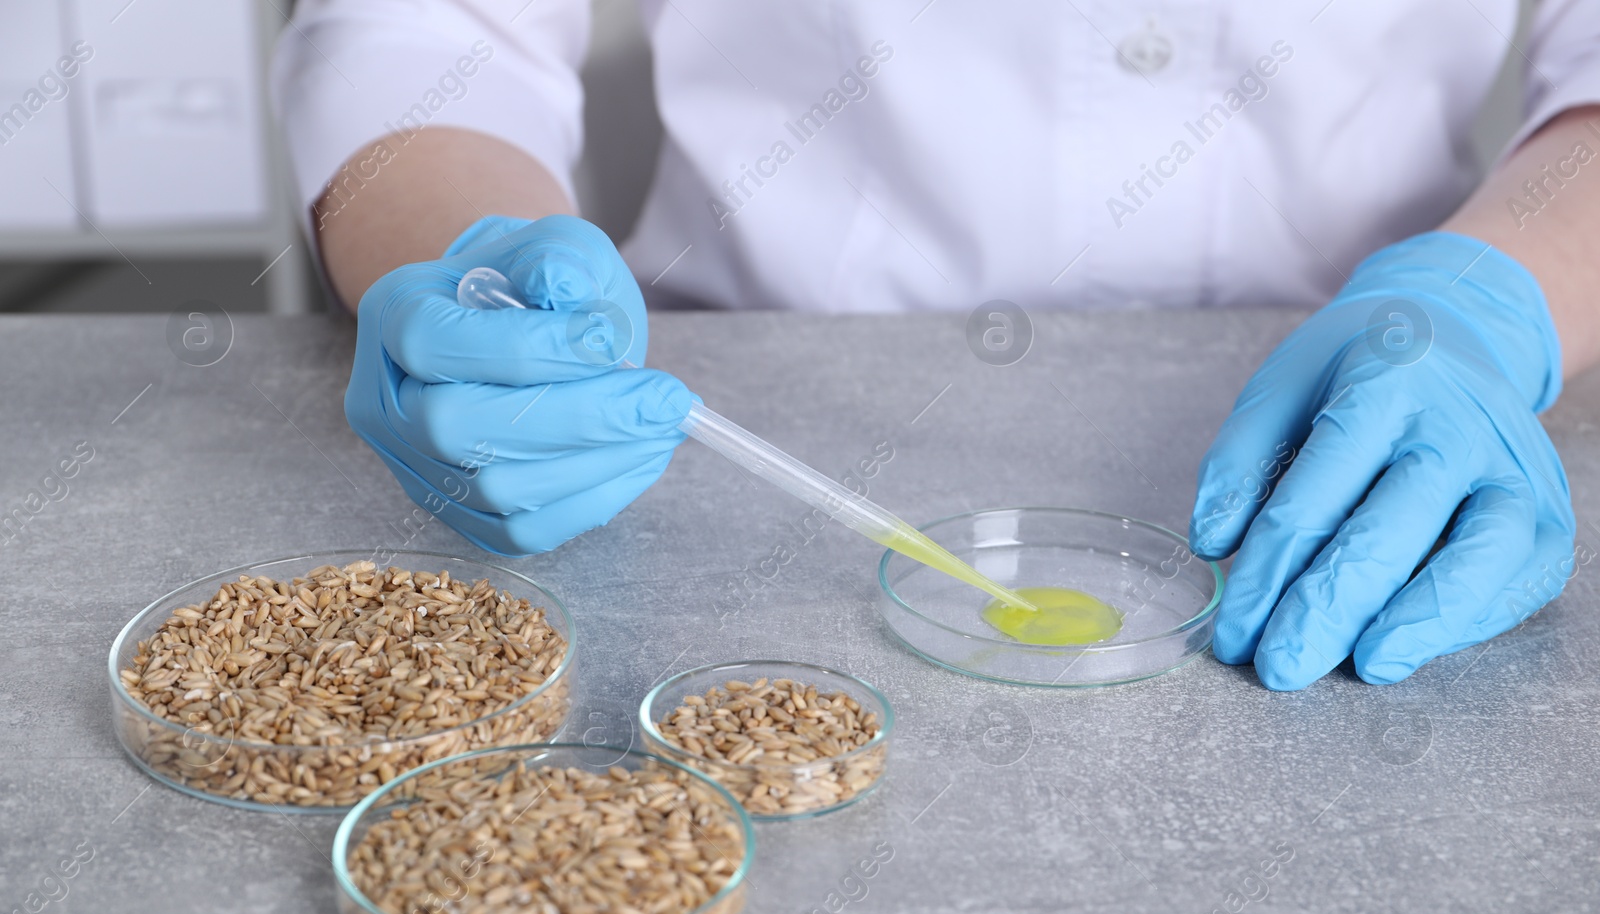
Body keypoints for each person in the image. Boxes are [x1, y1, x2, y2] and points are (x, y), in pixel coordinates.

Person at [271, 1, 1599, 691]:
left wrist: (1494, 296)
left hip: (1374, 407)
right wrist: (460, 263)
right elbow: (428, 26)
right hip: (740, 420)